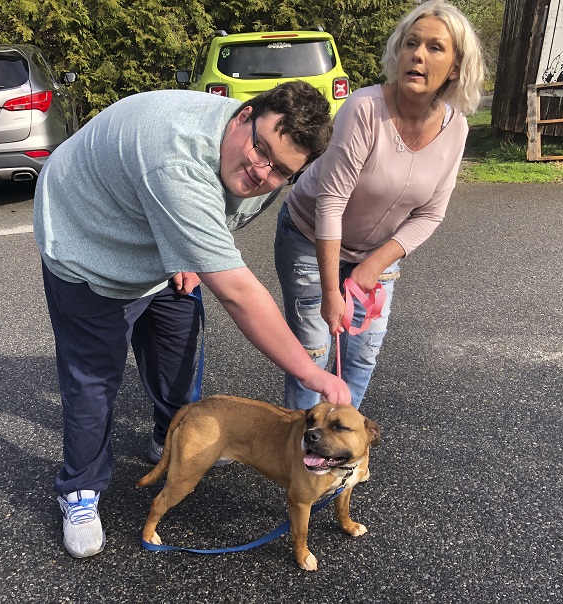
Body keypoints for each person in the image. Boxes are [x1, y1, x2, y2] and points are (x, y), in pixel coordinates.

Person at [33, 81, 350, 560]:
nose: (261, 171)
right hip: (87, 245)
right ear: (242, 115)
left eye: (281, 171)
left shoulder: (261, 158)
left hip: (155, 236)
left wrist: (187, 244)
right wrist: (310, 371)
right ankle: (80, 487)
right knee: (93, 380)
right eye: (260, 149)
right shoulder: (175, 157)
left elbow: (223, 209)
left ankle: (171, 442)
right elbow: (239, 293)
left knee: (176, 358)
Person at [274, 0, 484, 411]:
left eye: (435, 48)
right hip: (309, 236)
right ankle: (302, 460)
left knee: (361, 354)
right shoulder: (364, 107)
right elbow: (331, 202)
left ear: (456, 67)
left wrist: (374, 264)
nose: (418, 56)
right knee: (314, 354)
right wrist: (332, 289)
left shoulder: (456, 127)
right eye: (411, 44)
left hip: (378, 252)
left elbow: (431, 213)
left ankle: (343, 453)